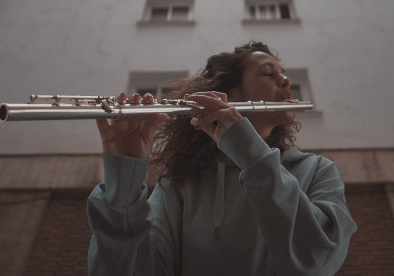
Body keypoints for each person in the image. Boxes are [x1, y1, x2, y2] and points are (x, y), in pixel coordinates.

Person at [87, 42, 357, 275]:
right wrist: (123, 181)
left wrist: (248, 151)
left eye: (283, 74)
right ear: (231, 95)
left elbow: (317, 261)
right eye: (268, 73)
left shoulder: (318, 170)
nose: (286, 80)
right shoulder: (180, 183)